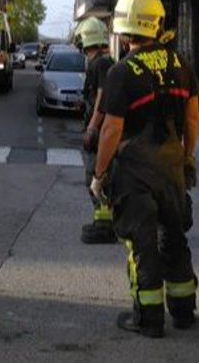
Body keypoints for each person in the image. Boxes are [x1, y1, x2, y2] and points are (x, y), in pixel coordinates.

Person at [91, 0, 199, 339]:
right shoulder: (181, 65)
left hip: (135, 172)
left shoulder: (122, 72)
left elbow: (111, 129)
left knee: (143, 245)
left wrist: (99, 174)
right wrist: (186, 158)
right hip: (170, 167)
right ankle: (183, 310)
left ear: (123, 32)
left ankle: (148, 318)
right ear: (156, 24)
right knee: (174, 236)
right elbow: (193, 119)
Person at [75, 17, 116, 244]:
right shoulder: (102, 63)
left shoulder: (100, 64)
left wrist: (92, 127)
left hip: (100, 131)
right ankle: (105, 220)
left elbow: (103, 94)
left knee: (94, 176)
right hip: (102, 129)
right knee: (101, 177)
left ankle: (104, 223)